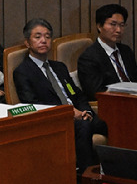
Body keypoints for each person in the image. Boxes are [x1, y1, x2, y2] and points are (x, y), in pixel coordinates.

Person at [14, 18, 108, 172]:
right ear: (27, 43)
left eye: (47, 36)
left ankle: (120, 173)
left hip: (80, 115)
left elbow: (76, 95)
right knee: (83, 127)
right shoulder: (23, 72)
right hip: (54, 121)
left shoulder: (59, 67)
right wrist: (70, 113)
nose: (43, 40)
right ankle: (87, 178)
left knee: (113, 124)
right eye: (38, 37)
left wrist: (87, 112)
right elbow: (32, 104)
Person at [77, 4, 137, 101]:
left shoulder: (126, 51)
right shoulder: (88, 58)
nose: (118, 30)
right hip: (115, 105)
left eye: (122, 25)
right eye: (113, 24)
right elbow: (95, 93)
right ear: (99, 26)